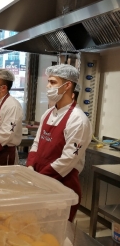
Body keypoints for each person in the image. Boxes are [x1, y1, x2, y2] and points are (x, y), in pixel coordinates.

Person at [26, 64, 92, 222]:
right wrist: (30, 167)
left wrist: (41, 178)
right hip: (40, 181)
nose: (48, 86)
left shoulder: (78, 119)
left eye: (53, 82)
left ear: (67, 85)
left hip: (62, 185)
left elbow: (68, 159)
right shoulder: (48, 113)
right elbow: (37, 143)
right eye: (48, 82)